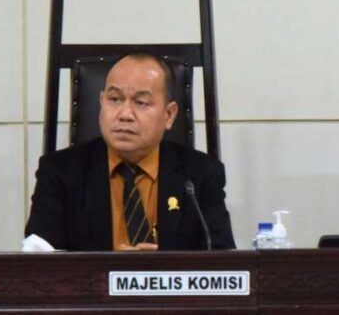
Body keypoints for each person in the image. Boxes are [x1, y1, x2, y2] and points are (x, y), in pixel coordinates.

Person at [25, 52, 236, 251]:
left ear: (169, 114)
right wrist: (114, 270)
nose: (125, 114)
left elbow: (223, 263)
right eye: (115, 99)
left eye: (141, 102)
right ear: (101, 102)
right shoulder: (60, 173)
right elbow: (40, 263)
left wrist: (163, 269)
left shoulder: (200, 176)